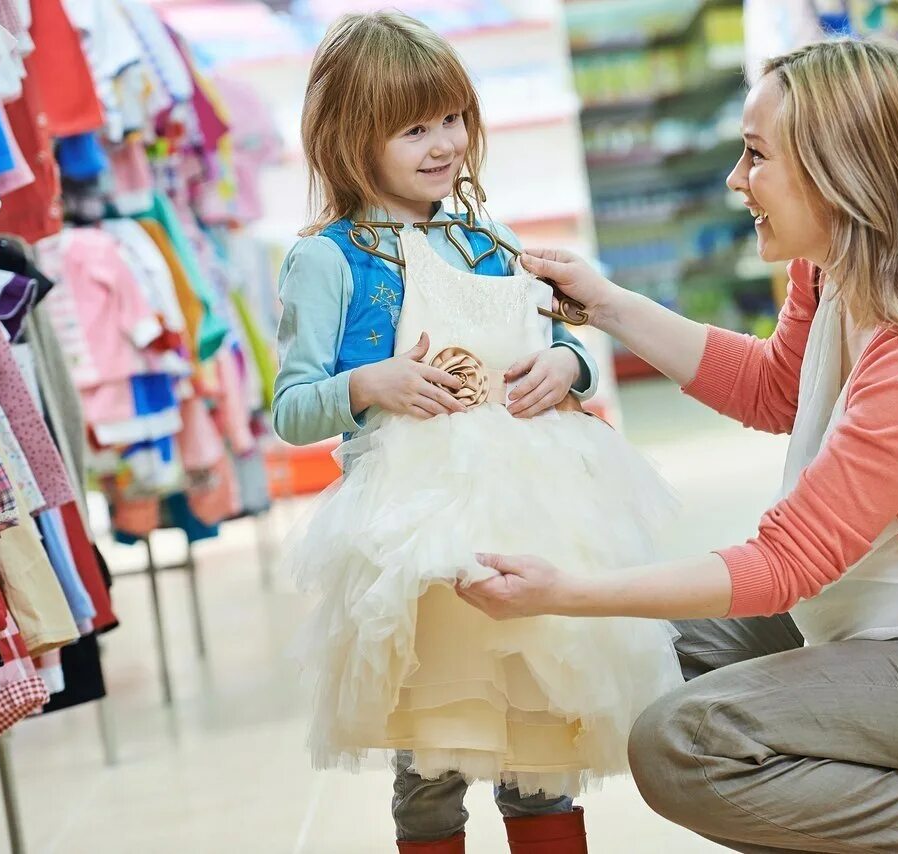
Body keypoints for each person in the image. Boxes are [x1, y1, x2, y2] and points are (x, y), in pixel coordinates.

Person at [458, 38, 898, 854]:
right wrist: (605, 305)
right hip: (897, 616)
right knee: (647, 657)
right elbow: (776, 387)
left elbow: (787, 562)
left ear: (836, 167)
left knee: (680, 744)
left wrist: (564, 589)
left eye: (754, 155)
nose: (736, 180)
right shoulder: (839, 265)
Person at [273, 12, 681, 854]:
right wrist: (367, 383)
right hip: (416, 540)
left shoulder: (485, 238)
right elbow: (291, 407)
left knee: (542, 736)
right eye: (413, 127)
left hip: (532, 515)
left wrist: (568, 368)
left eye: (452, 119)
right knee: (433, 753)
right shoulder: (329, 260)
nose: (443, 143)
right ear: (352, 138)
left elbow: (554, 341)